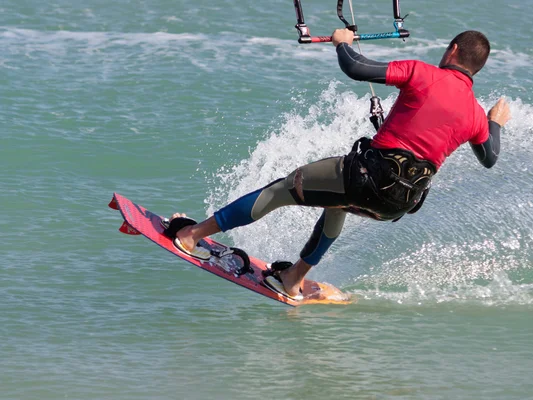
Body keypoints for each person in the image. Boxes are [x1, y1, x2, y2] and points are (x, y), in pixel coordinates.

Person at [166, 29, 512, 301]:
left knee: (283, 188)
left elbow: (357, 68)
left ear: (452, 50)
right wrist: (494, 121)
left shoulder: (423, 73)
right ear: (476, 68)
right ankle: (292, 279)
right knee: (336, 206)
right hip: (398, 205)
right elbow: (490, 157)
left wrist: (342, 43)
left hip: (366, 177)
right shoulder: (475, 115)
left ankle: (190, 235)